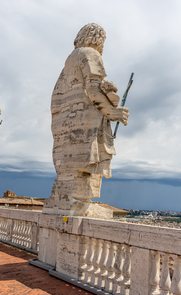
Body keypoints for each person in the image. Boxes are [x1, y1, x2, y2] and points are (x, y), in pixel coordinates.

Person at [48, 23, 129, 206]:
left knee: (71, 170)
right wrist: (112, 112)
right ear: (98, 39)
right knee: (86, 163)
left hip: (65, 124)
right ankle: (79, 201)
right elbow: (93, 89)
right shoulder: (90, 54)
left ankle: (67, 200)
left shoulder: (69, 61)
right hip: (83, 124)